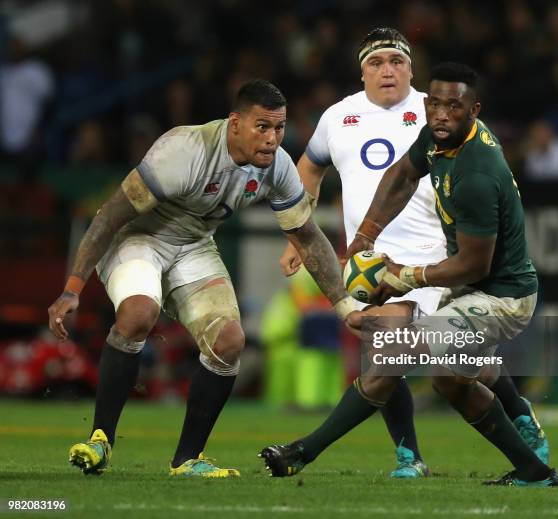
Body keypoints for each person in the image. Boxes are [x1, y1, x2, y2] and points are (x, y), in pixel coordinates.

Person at [261, 63, 558, 487]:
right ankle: (533, 469)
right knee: (451, 377)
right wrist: (365, 236)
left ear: (474, 111)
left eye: (452, 107)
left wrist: (405, 275)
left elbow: (475, 264)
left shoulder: (476, 172)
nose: (440, 114)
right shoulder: (439, 137)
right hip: (469, 287)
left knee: (395, 352)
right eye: (434, 104)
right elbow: (401, 176)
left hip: (502, 297)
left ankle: (304, 451)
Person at [48, 79, 357, 478]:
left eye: (279, 128)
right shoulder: (184, 151)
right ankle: (100, 440)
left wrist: (346, 306)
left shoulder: (278, 165)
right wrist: (73, 288)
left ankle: (187, 460)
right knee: (140, 312)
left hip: (193, 247)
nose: (272, 138)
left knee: (230, 341)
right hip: (139, 239)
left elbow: (307, 236)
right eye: (262, 126)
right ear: (234, 124)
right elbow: (110, 216)